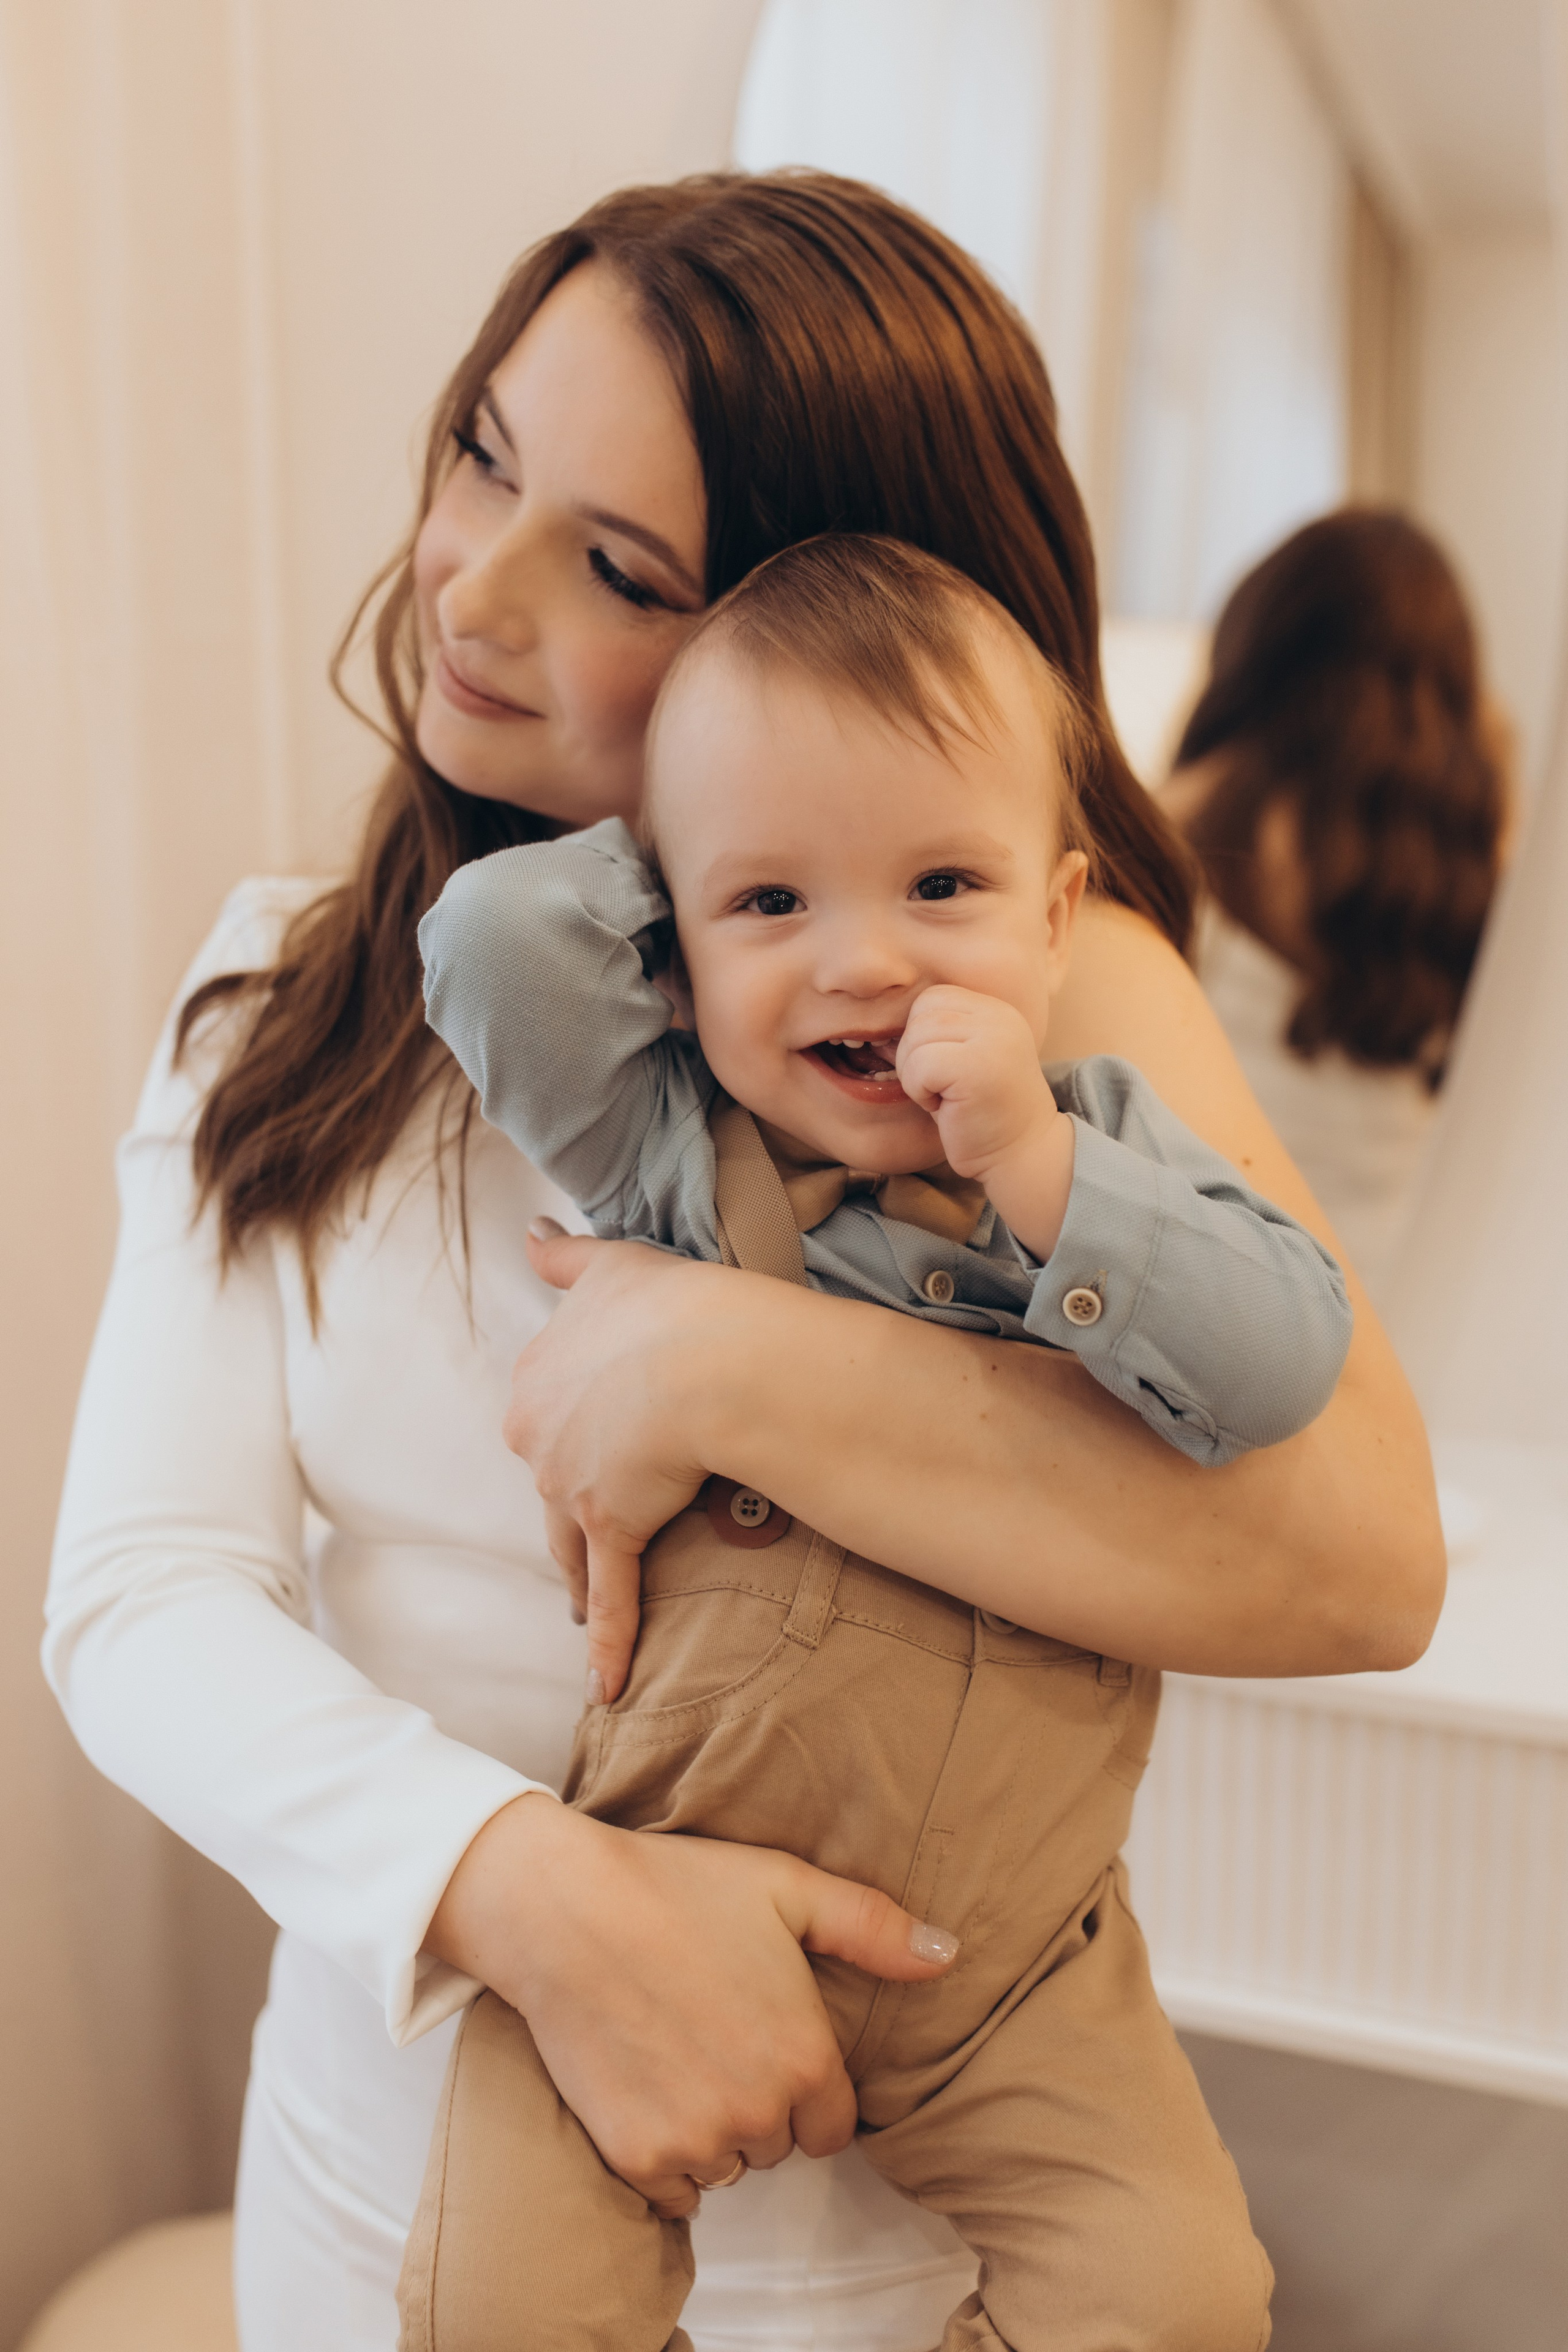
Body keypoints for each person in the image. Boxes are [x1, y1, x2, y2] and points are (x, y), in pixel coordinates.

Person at [43, 173, 1442, 2352]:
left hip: (882, 2263)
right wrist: (537, 1897)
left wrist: (714, 1362)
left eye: (618, 569)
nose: (467, 592)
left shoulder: (1017, 1019)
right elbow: (139, 1598)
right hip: (376, 2192)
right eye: (484, 452)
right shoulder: (285, 989)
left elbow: (1359, 1562)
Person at [405, 533, 1351, 2348]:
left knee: (1184, 2292)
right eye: (776, 906)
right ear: (673, 943)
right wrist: (688, 850)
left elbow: (1285, 1360)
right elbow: (491, 945)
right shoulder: (677, 1160)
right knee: (499, 2301)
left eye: (939, 882)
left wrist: (1046, 1169)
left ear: (1058, 920)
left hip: (1020, 1974)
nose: (860, 961)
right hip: (666, 1890)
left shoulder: (1112, 1144)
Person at [1160, 508, 1509, 1297]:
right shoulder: (1469, 857)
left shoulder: (1188, 818)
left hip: (1235, 1308)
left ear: (1258, 640)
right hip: (1415, 1312)